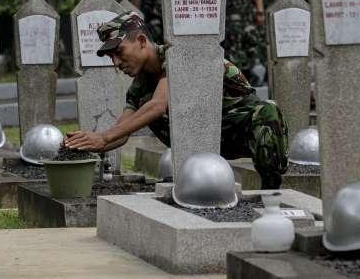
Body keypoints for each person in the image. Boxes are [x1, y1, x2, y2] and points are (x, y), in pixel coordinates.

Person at [64, 12, 289, 189]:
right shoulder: (140, 87)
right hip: (203, 142)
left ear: (141, 41)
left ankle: (271, 190)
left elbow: (159, 104)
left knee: (268, 110)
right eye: (111, 57)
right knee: (146, 108)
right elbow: (121, 133)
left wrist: (103, 138)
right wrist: (83, 144)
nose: (116, 62)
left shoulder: (179, 56)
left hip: (243, 130)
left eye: (119, 52)